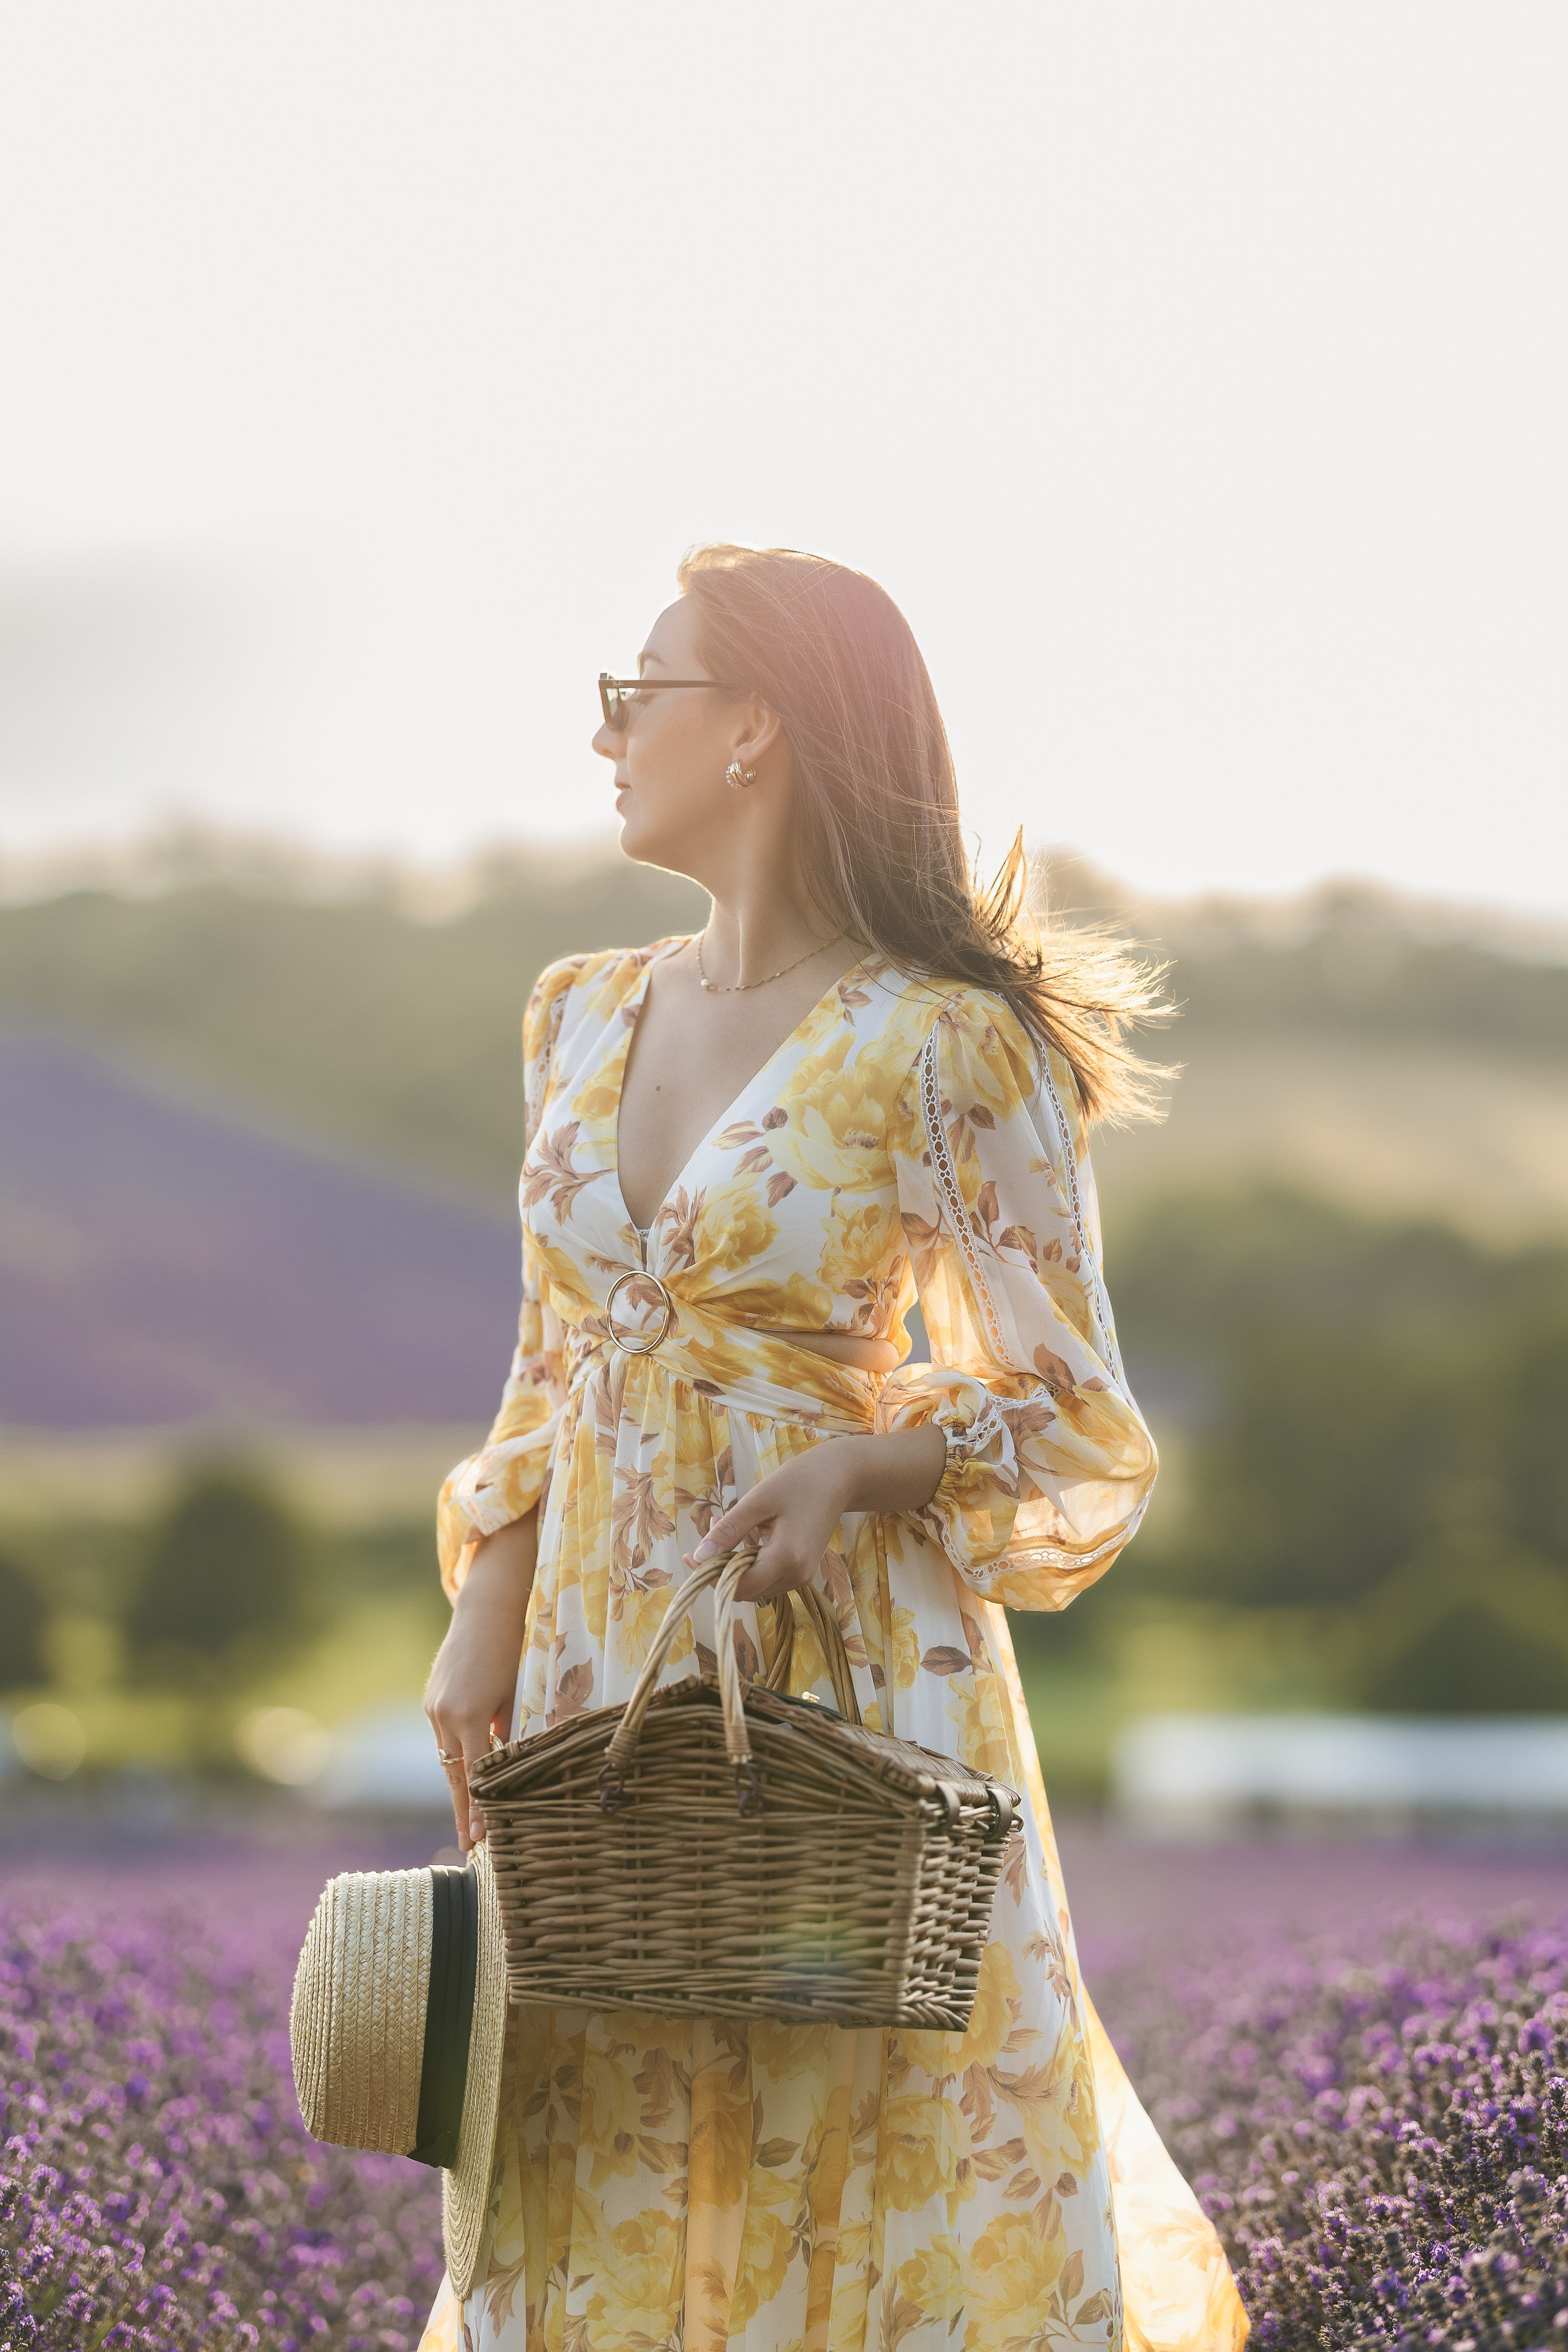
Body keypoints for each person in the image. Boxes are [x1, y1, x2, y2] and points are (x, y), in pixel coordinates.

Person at [418, 545, 1248, 2352]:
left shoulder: (947, 1042)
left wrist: (868, 1464)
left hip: (842, 1685)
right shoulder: (580, 1012)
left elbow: (1076, 1416)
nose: (602, 732)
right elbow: (556, 1351)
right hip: (588, 1671)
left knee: (845, 2158)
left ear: (755, 731)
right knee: (595, 2153)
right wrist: (488, 1585)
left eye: (639, 691)